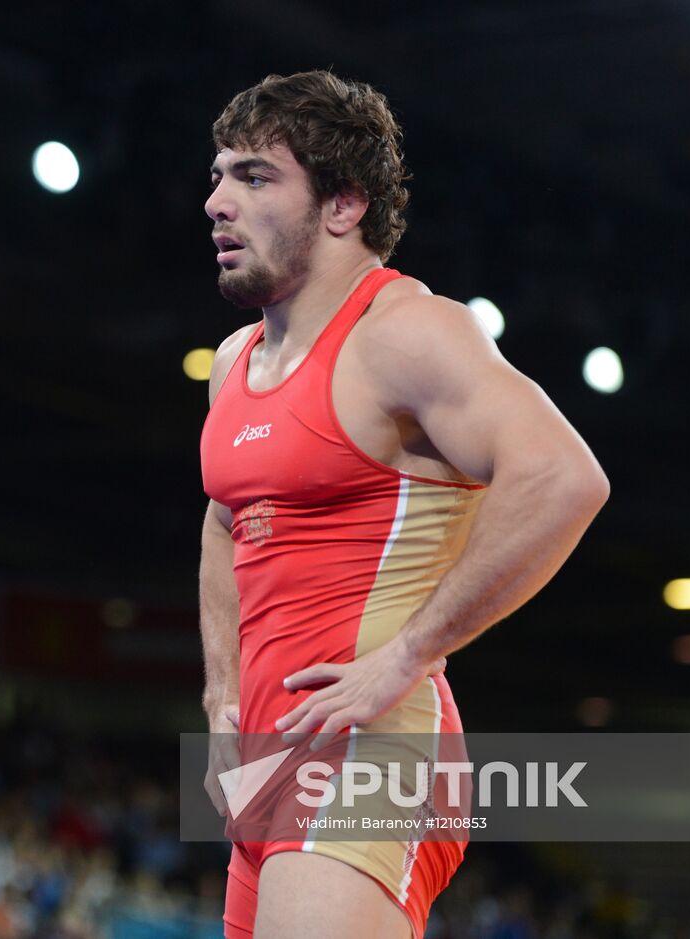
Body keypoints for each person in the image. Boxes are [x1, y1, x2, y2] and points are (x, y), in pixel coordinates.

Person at [196, 71, 609, 939]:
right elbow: (227, 520)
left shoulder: (407, 333)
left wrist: (409, 653)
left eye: (254, 178)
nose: (216, 202)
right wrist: (220, 694)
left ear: (344, 206)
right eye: (218, 175)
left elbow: (564, 479)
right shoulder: (234, 362)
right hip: (270, 757)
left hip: (375, 746)